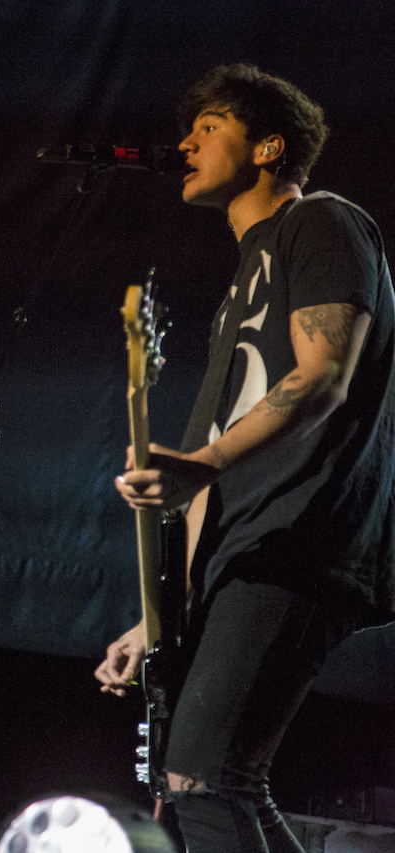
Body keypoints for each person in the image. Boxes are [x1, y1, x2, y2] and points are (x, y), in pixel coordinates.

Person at [95, 63, 395, 853]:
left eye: (210, 126)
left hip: (299, 539)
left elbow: (324, 373)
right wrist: (156, 617)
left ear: (268, 147)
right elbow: (209, 482)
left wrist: (203, 461)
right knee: (219, 781)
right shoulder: (239, 291)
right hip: (247, 550)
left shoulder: (321, 222)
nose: (186, 143)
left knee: (202, 776)